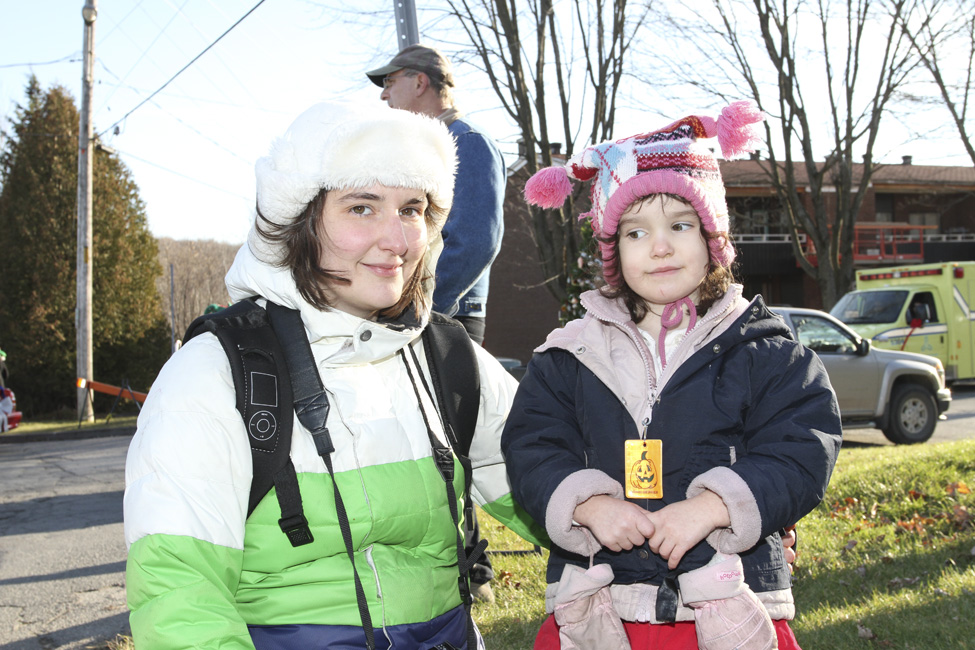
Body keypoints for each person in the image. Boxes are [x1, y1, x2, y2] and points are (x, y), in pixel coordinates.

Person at [123, 101, 544, 650]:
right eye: (362, 207)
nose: (397, 239)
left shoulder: (449, 357)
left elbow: (561, 492)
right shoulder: (217, 372)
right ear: (298, 221)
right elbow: (180, 594)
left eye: (413, 208)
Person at [501, 102, 842, 650]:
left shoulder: (767, 352)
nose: (659, 246)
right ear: (612, 251)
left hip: (730, 600)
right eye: (635, 233)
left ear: (713, 239)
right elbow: (532, 447)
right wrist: (588, 505)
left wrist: (714, 508)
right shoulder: (568, 356)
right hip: (601, 603)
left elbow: (803, 448)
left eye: (680, 225)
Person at [366, 43, 506, 603]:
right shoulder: (423, 151)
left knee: (448, 443)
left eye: (389, 81)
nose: (382, 93)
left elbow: (476, 241)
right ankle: (460, 565)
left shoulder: (464, 144)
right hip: (421, 311)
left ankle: (474, 571)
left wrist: (416, 305)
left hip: (445, 316)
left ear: (420, 82)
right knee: (427, 443)